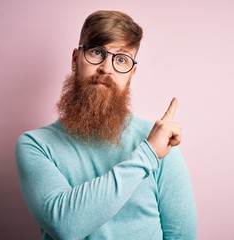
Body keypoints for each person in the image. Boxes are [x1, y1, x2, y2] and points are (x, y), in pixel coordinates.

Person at [15, 10, 197, 240]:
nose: (106, 68)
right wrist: (147, 155)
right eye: (96, 52)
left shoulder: (159, 141)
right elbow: (64, 226)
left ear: (131, 73)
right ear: (75, 60)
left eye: (121, 59)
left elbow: (182, 235)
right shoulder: (35, 145)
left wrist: (152, 149)